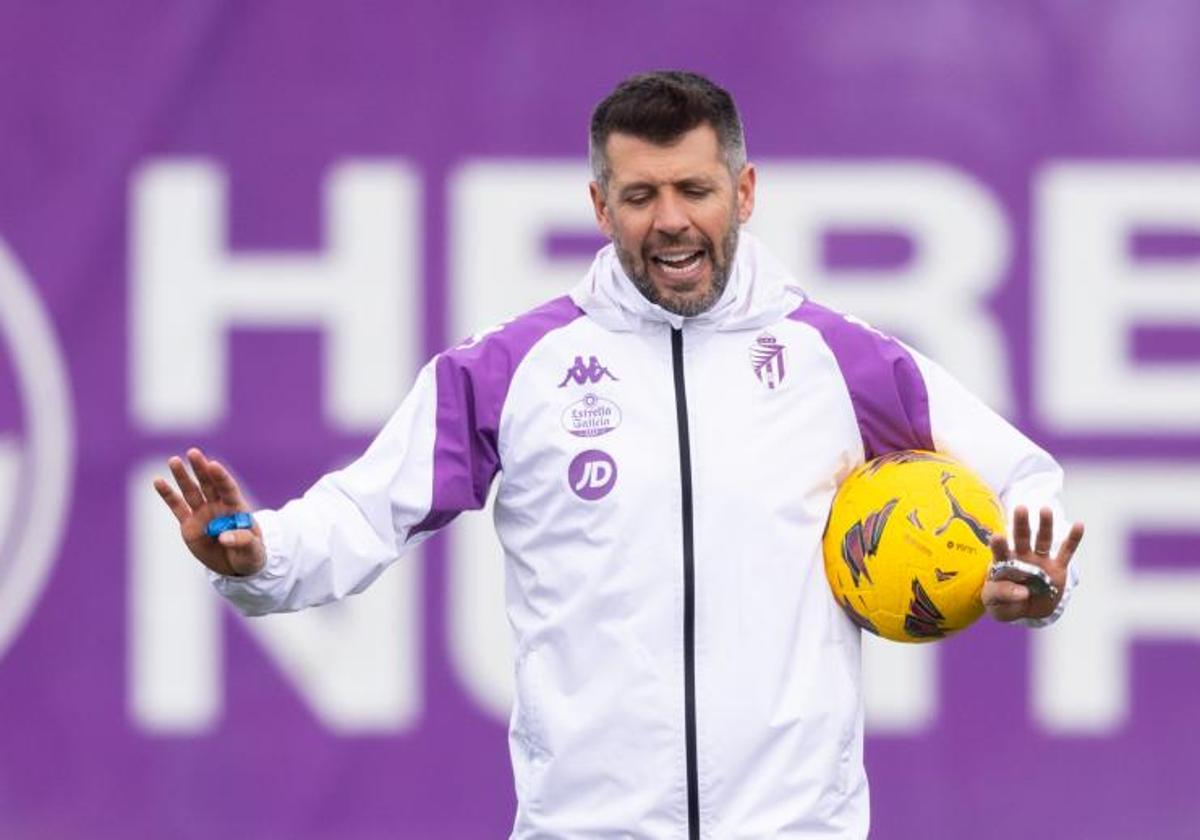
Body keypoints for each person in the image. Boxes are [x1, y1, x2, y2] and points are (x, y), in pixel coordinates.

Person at [154, 70, 1084, 839]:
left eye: (695, 189)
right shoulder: (513, 371)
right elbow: (363, 512)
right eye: (640, 196)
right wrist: (259, 553)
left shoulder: (839, 360)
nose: (670, 220)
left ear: (745, 193)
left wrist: (1030, 581)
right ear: (601, 206)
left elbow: (1025, 486)